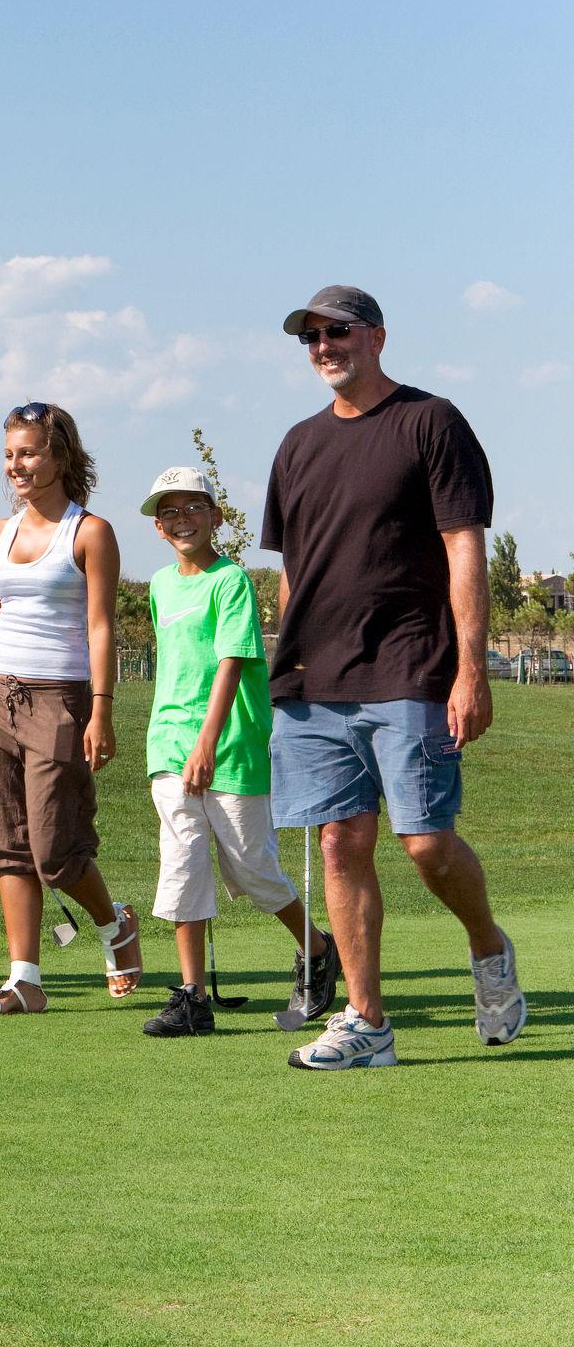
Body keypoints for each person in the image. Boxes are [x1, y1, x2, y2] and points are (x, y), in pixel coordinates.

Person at [264, 285, 523, 1068]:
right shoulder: (297, 445)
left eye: (336, 331)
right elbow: (291, 571)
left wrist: (470, 669)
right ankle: (367, 1022)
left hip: (410, 667)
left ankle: (487, 946)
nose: (322, 346)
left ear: (377, 336)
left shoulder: (429, 422)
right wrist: (283, 659)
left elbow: (462, 547)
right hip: (314, 682)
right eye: (309, 335)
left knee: (425, 845)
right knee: (341, 842)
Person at [0, 402, 142, 1014]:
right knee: (3, 838)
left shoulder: (90, 532)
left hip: (61, 696)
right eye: (8, 454)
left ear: (60, 456)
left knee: (55, 847)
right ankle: (25, 979)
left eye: (28, 453)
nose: (16, 466)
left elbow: (101, 628)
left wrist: (102, 710)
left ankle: (115, 924)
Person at [134, 465, 337, 1038]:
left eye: (192, 507)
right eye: (168, 512)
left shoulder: (232, 582)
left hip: (231, 747)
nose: (181, 520)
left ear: (215, 516)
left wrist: (207, 742)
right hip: (169, 745)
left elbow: (230, 661)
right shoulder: (159, 585)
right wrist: (181, 744)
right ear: (157, 526)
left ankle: (318, 949)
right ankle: (191, 998)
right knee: (183, 864)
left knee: (250, 869)